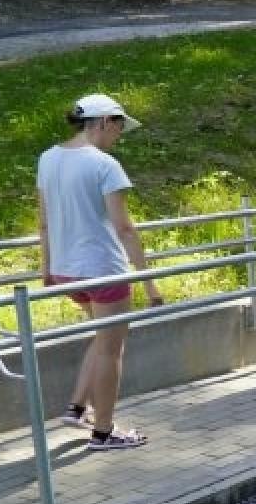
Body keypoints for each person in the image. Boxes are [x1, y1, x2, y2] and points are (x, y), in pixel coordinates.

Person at [36, 93, 163, 451]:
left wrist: (47, 268)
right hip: (103, 270)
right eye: (119, 128)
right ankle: (105, 432)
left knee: (103, 337)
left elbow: (43, 222)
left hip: (65, 271)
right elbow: (124, 228)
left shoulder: (47, 158)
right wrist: (149, 285)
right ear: (105, 121)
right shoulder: (104, 164)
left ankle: (77, 407)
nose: (119, 136)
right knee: (112, 349)